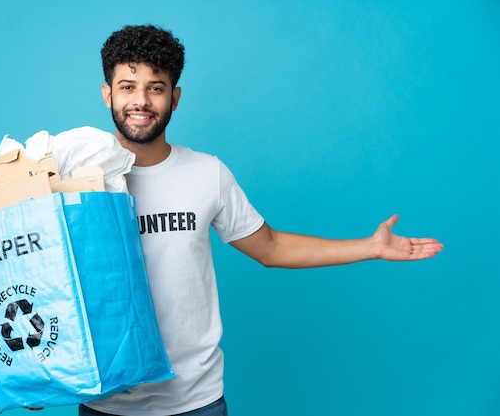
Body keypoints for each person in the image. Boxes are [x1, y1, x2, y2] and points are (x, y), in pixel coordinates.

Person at [77, 24, 443, 416]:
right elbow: (40, 271)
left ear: (175, 97)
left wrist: (370, 247)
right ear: (107, 94)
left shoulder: (207, 173)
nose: (141, 100)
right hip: (105, 400)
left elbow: (271, 246)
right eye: (128, 86)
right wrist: (38, 367)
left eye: (156, 87)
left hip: (194, 401)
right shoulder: (76, 178)